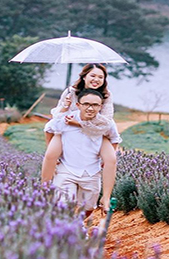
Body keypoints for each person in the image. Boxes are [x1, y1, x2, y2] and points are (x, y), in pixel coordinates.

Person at [41, 63, 119, 211]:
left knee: (111, 159)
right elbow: (57, 115)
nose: (96, 79)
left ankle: (106, 198)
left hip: (96, 129)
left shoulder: (107, 94)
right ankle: (44, 187)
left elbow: (106, 121)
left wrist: (80, 124)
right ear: (84, 77)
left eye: (100, 77)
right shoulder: (71, 91)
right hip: (68, 125)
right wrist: (66, 106)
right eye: (93, 76)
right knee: (51, 154)